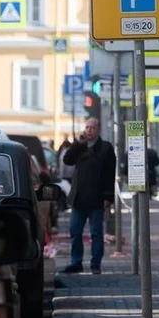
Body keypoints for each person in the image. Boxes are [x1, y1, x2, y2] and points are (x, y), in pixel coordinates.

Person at [60, 118, 116, 275]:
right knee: (75, 231)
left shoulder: (105, 148)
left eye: (92, 128)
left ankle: (95, 264)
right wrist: (77, 144)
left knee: (96, 233)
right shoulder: (80, 146)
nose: (89, 130)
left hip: (97, 197)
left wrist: (108, 197)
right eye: (87, 127)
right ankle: (76, 262)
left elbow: (109, 173)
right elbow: (67, 160)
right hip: (79, 197)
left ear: (98, 130)